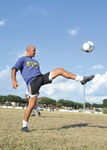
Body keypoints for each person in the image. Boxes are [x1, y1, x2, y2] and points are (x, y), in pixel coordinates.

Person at [11, 45, 94, 132]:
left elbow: (36, 72)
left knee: (60, 70)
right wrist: (14, 80)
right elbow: (14, 69)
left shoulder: (36, 62)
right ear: (28, 50)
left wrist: (40, 84)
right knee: (31, 105)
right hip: (32, 82)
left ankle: (81, 79)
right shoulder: (22, 59)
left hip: (41, 77)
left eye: (35, 50)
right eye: (34, 50)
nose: (35, 52)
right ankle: (24, 126)